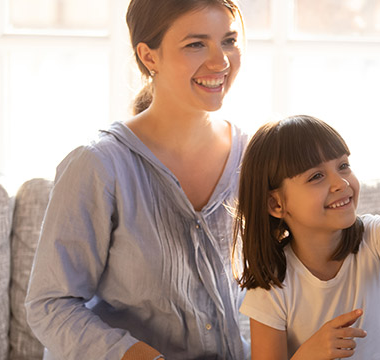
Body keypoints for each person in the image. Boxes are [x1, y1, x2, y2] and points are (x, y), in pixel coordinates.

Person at [25, 0, 250, 359]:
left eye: (229, 40)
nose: (220, 61)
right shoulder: (98, 165)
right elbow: (50, 305)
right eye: (196, 44)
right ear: (149, 57)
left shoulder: (255, 157)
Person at [235, 114, 380, 359]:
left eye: (343, 165)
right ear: (276, 203)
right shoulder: (271, 284)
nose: (340, 182)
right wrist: (309, 354)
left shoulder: (372, 237)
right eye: (316, 176)